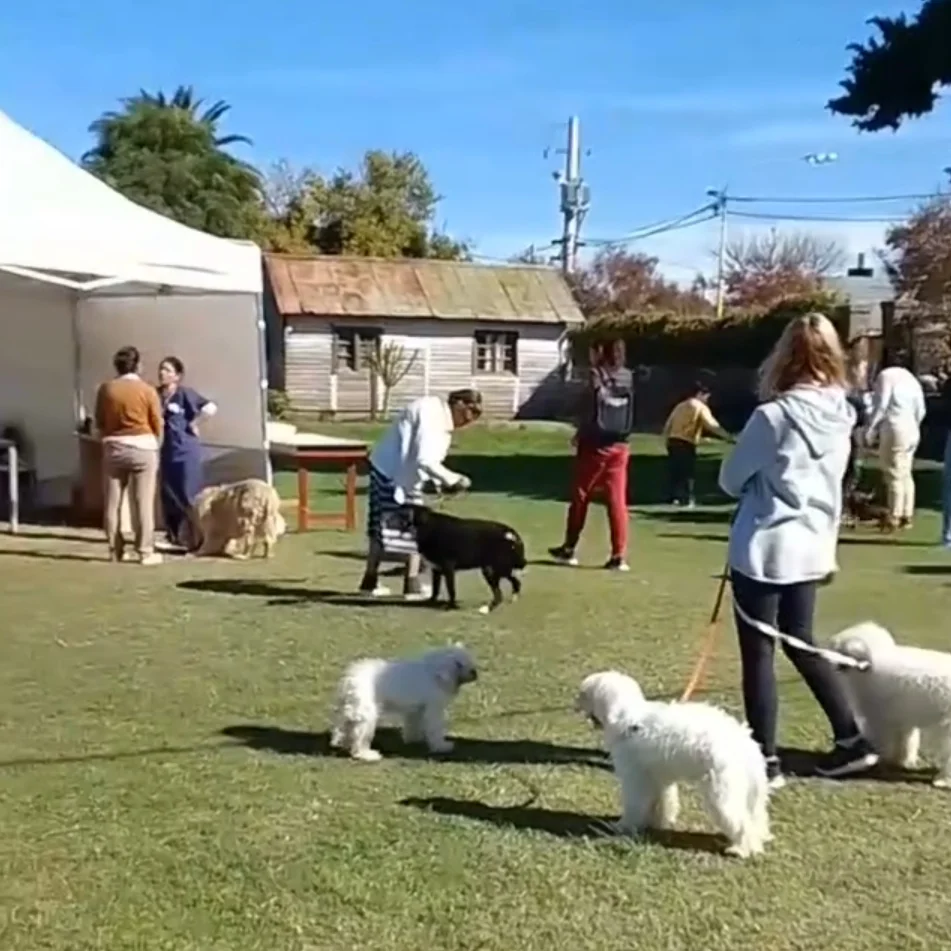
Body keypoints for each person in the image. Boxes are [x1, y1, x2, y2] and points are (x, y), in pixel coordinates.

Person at [718, 312, 879, 789]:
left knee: (760, 654)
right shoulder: (844, 413)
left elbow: (729, 480)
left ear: (784, 358)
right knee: (801, 642)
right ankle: (851, 739)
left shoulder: (772, 416)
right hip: (812, 546)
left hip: (765, 547)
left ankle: (763, 760)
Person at [358, 389, 482, 600]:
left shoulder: (433, 411)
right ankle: (411, 585)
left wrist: (438, 482)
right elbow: (425, 460)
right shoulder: (434, 416)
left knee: (380, 525)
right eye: (471, 413)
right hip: (396, 474)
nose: (470, 420)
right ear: (459, 403)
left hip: (386, 467)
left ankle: (370, 581)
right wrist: (454, 479)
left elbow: (421, 457)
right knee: (416, 528)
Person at [549, 339, 635, 571]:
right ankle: (619, 554)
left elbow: (588, 407)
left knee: (581, 495)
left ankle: (569, 548)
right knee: (617, 500)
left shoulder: (596, 374)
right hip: (620, 443)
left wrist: (579, 431)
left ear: (599, 351)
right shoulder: (627, 375)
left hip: (594, 444)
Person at [94, 345, 164, 565]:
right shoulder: (147, 390)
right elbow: (157, 422)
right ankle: (145, 550)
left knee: (112, 502)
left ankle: (115, 549)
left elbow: (100, 420)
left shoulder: (106, 389)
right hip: (143, 447)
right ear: (138, 365)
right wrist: (157, 445)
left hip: (115, 447)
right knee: (143, 502)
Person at [157, 356, 218, 548]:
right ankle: (174, 536)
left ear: (177, 376)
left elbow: (210, 407)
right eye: (161, 369)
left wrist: (194, 423)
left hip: (185, 450)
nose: (162, 374)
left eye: (167, 370)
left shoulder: (185, 394)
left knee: (188, 493)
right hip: (166, 451)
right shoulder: (156, 395)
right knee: (168, 494)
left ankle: (197, 536)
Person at [865, 353, 926, 531]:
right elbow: (921, 410)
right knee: (906, 472)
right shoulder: (912, 380)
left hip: (894, 425)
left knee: (893, 472)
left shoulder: (887, 376)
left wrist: (871, 427)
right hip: (912, 427)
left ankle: (894, 515)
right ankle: (907, 514)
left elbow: (881, 405)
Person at [661, 381, 732, 508]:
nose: (706, 399)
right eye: (706, 396)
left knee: (675, 471)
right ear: (700, 394)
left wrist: (666, 439)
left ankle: (673, 497)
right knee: (688, 472)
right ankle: (688, 499)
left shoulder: (680, 405)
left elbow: (669, 423)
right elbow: (712, 425)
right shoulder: (700, 407)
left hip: (673, 440)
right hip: (686, 442)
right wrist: (728, 437)